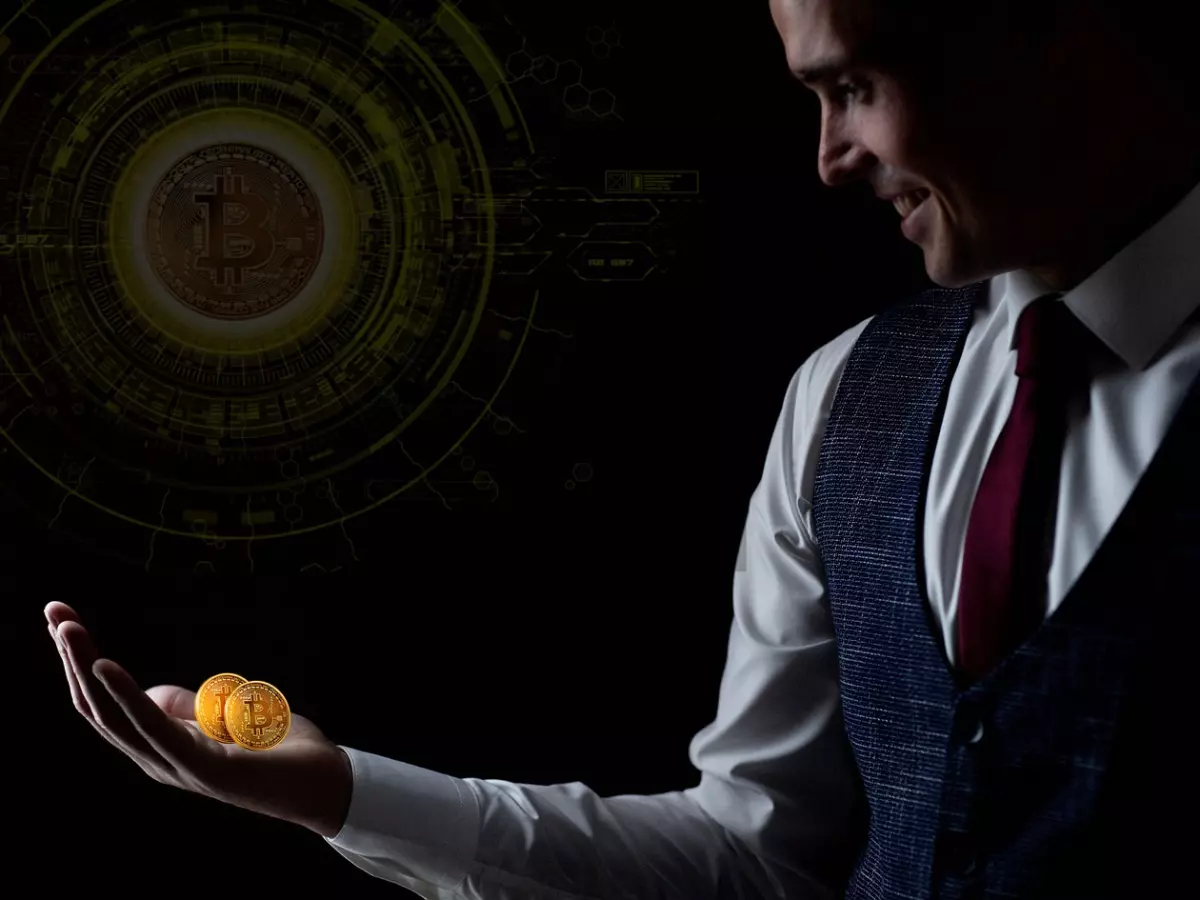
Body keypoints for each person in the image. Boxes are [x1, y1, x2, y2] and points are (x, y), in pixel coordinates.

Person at [47, 0, 1200, 896]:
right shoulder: (845, 398)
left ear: (1045, 35)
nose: (829, 158)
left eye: (852, 85)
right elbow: (752, 863)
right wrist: (342, 794)